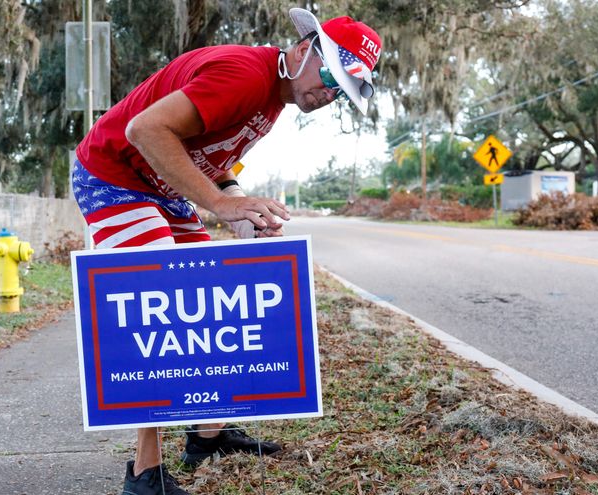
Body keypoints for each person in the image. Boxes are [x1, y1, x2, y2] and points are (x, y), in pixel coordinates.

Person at [72, 7, 381, 495]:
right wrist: (215, 204)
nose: (330, 94)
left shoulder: (275, 101)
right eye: (331, 76)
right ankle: (144, 474)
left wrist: (238, 204)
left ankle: (206, 434)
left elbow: (215, 158)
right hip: (114, 175)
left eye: (341, 89)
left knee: (209, 290)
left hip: (162, 186)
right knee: (161, 304)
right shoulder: (243, 75)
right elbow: (145, 131)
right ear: (305, 50)